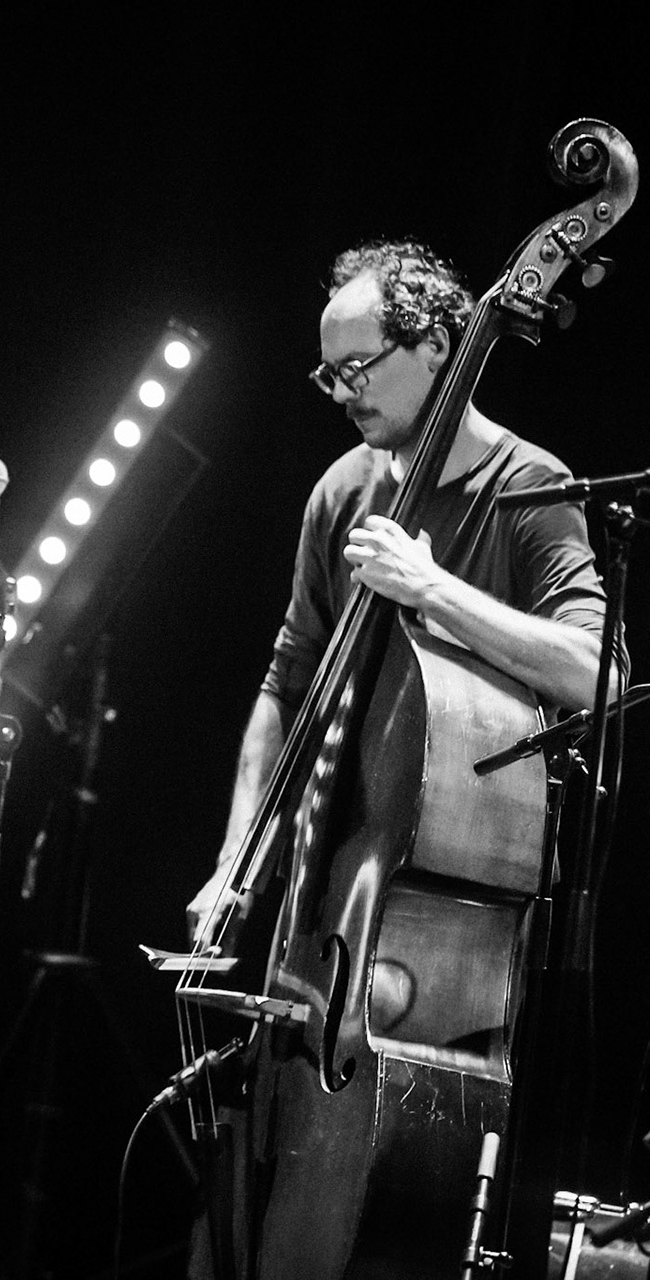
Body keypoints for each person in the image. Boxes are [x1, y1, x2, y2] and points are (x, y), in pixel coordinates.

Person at [186, 238, 620, 944]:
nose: (342, 395)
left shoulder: (532, 489)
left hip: (450, 904)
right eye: (329, 375)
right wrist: (237, 858)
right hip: (327, 885)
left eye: (357, 368)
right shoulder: (341, 490)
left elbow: (597, 675)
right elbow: (287, 682)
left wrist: (433, 589)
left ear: (438, 346)